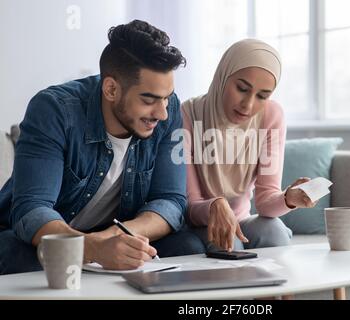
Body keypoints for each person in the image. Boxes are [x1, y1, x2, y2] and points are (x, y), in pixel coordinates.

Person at [0, 20, 205, 275]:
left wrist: (117, 236)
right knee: (16, 256)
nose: (163, 113)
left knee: (188, 246)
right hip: (42, 237)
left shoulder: (169, 109)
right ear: (111, 89)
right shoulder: (54, 110)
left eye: (166, 97)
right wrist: (92, 247)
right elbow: (32, 208)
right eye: (149, 99)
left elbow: (171, 200)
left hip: (115, 230)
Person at [182, 39, 317, 252]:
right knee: (228, 244)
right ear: (223, 76)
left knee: (274, 231)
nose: (248, 105)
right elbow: (189, 205)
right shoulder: (188, 115)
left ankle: (281, 286)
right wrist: (215, 206)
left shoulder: (271, 116)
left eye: (263, 96)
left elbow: (265, 202)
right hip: (197, 223)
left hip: (242, 220)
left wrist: (287, 198)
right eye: (242, 88)